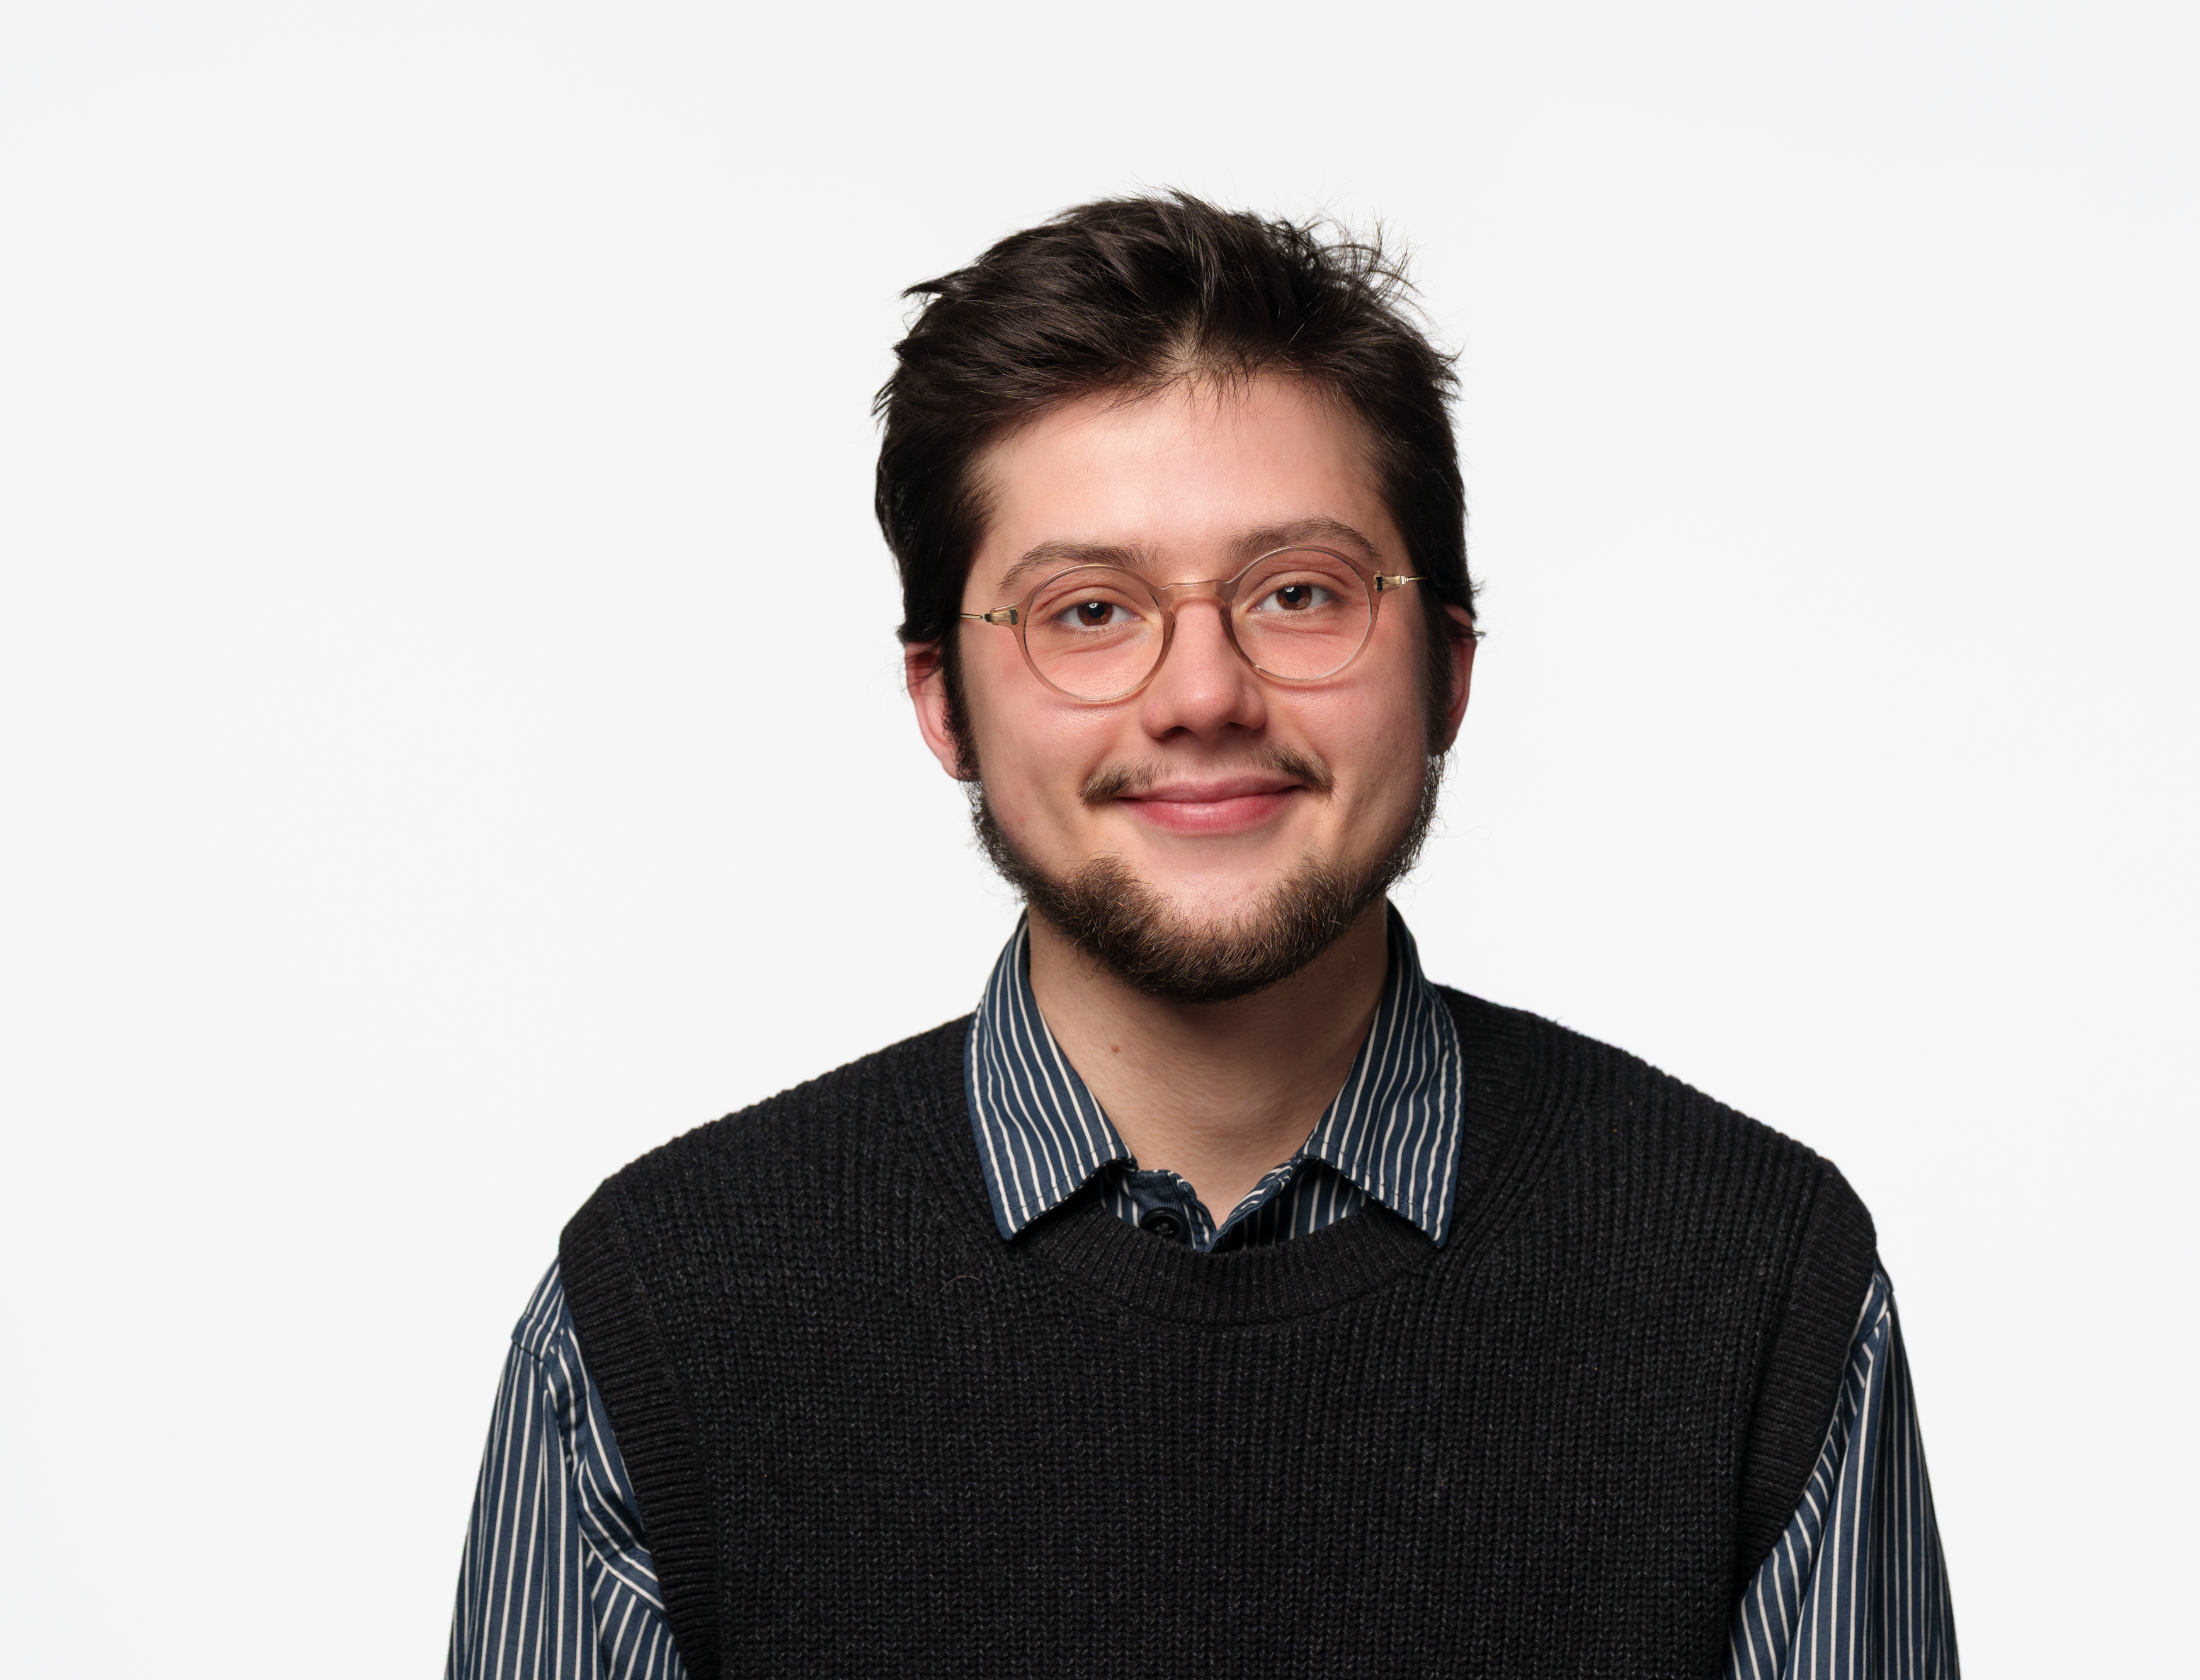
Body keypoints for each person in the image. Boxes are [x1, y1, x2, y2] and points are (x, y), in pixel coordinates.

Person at [445, 192, 1958, 1680]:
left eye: (1295, 592)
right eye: (1087, 610)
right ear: (939, 702)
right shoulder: (661, 1311)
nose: (1202, 692)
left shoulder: (1751, 1279)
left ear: (1445, 664)